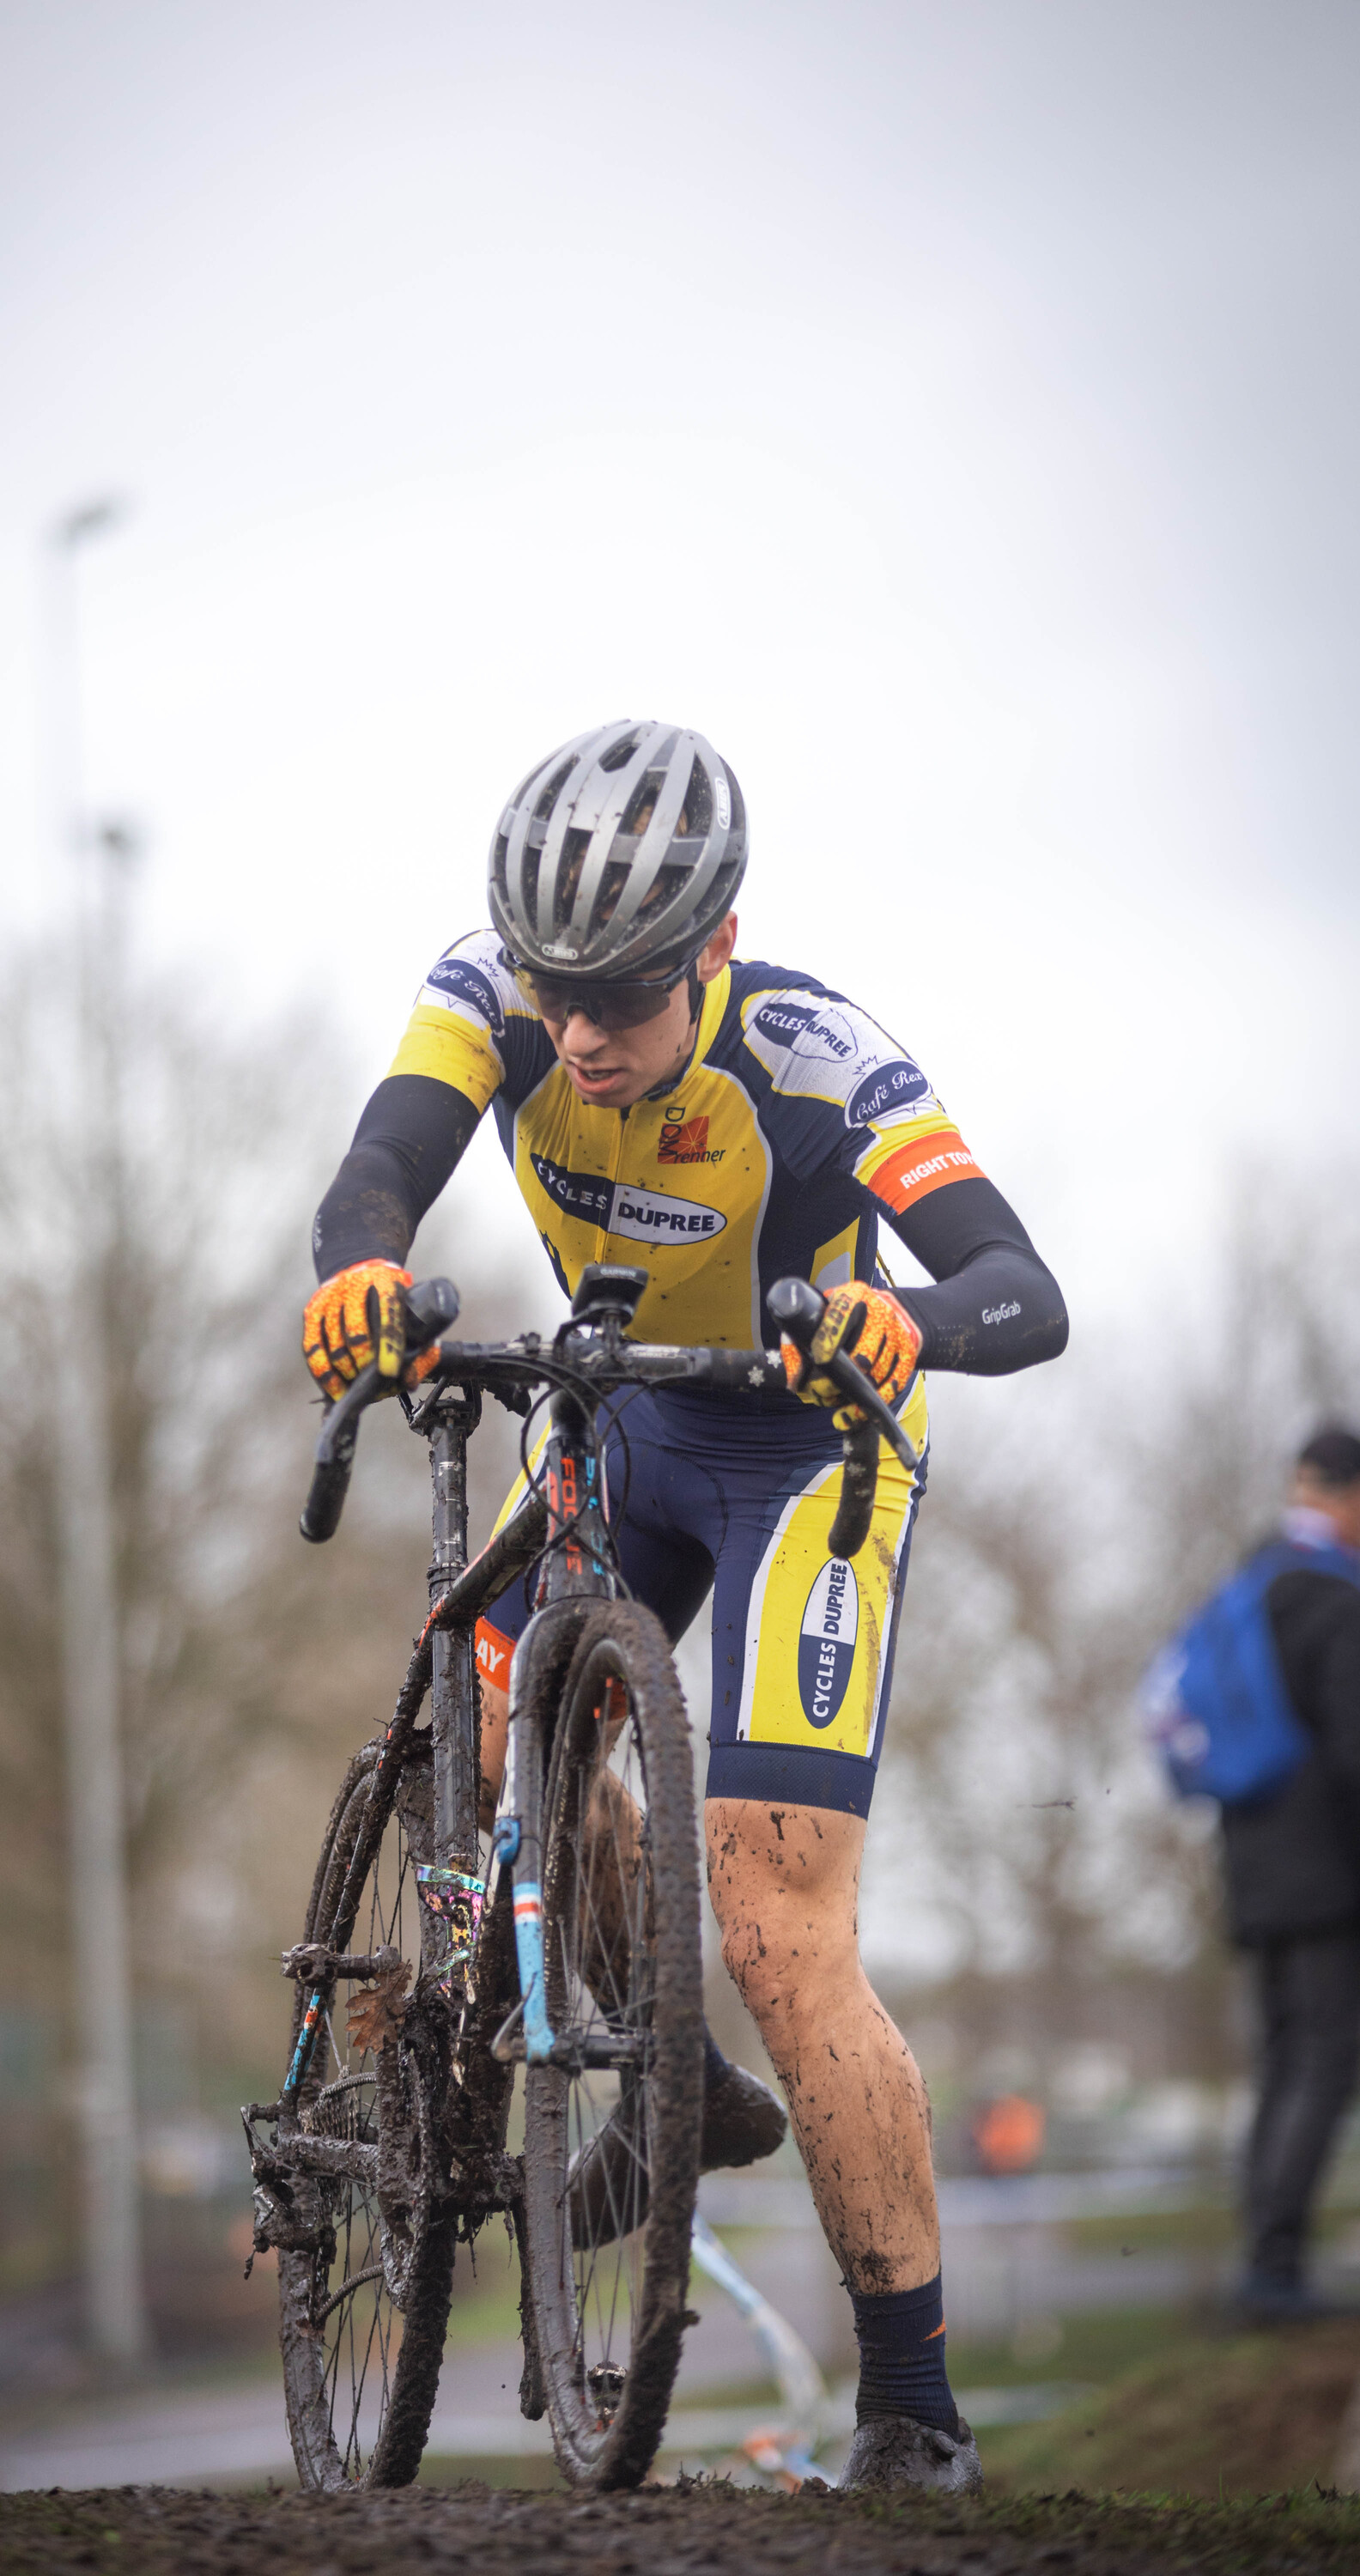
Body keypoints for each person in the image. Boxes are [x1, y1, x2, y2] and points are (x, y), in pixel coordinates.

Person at [300, 720, 1068, 2492]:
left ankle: (911, 2406)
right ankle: (662, 2066)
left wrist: (908, 1322)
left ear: (711, 952)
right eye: (554, 989)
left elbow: (1021, 1288)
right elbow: (380, 1165)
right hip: (624, 1419)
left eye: (622, 995)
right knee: (482, 1727)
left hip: (811, 1456)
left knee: (780, 1924)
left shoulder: (820, 1059)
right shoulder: (496, 995)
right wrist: (357, 1270)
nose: (574, 1034)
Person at [1223, 1426, 1360, 2318]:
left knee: (1281, 2060)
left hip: (1249, 1861)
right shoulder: (1333, 1595)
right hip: (1323, 1869)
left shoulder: (1252, 1580)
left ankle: (1263, 2264)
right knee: (1323, 2056)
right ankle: (1273, 2274)